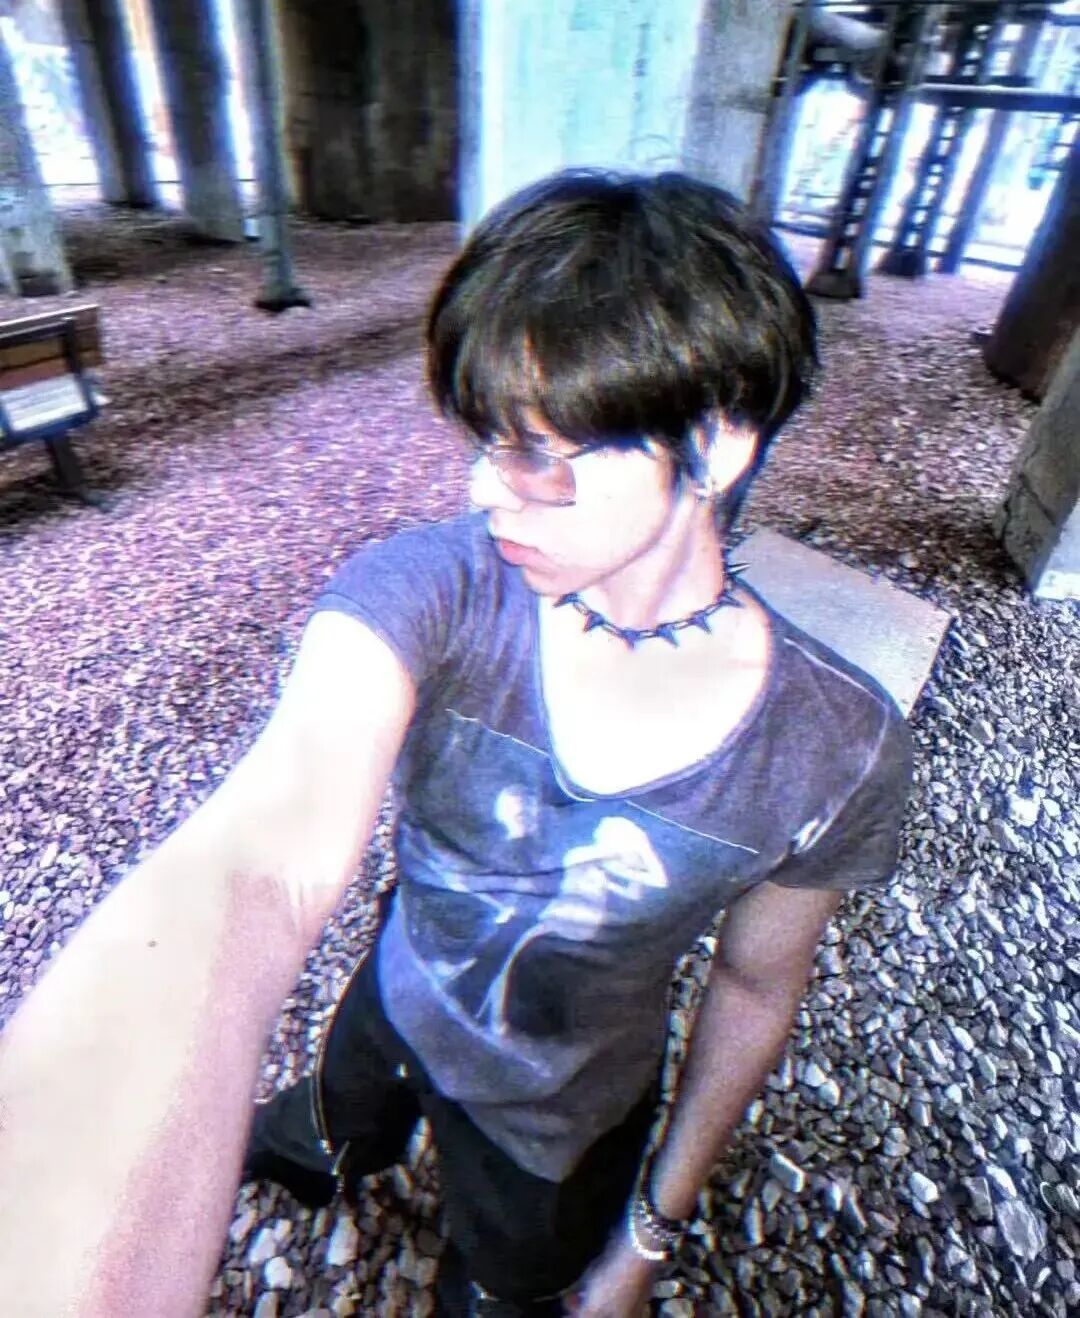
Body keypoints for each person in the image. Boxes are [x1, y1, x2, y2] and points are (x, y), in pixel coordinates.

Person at [0, 169, 913, 1318]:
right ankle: (326, 1145)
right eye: (484, 441)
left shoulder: (835, 745)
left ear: (714, 444)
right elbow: (259, 858)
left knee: (504, 1284)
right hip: (389, 1003)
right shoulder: (434, 589)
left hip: (559, 1121)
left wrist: (647, 1234)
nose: (486, 490)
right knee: (328, 1119)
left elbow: (754, 985)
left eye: (541, 454)